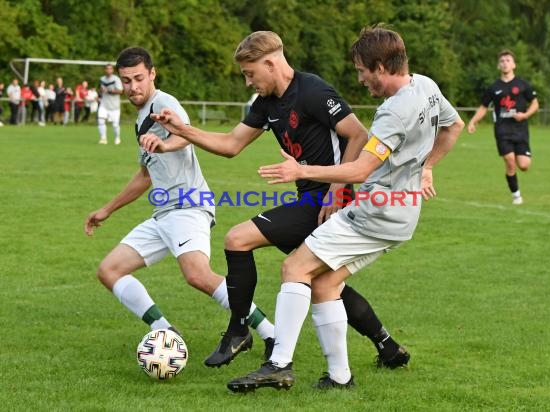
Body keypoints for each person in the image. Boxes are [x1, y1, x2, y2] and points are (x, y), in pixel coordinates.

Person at [145, 30, 410, 370]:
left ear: (270, 63)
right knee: (322, 283)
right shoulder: (267, 104)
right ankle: (387, 346)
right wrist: (182, 129)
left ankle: (239, 330)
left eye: (250, 73)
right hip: (311, 200)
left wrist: (334, 191)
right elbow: (230, 145)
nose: (247, 82)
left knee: (237, 239)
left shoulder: (313, 90)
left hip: (326, 201)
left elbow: (358, 133)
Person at [225, 25, 464, 392]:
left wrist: (301, 170)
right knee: (325, 283)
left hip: (374, 213)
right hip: (403, 214)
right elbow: (454, 126)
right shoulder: (426, 86)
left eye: (363, 71)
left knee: (294, 267)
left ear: (381, 67)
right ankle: (339, 378)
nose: (362, 79)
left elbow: (360, 169)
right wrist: (427, 167)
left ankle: (278, 364)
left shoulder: (392, 112)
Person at [84, 47, 274, 356]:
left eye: (139, 78)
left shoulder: (163, 103)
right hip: (164, 213)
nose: (133, 87)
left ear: (152, 74)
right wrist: (106, 209)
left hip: (187, 205)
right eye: (126, 81)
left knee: (197, 274)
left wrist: (165, 143)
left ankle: (271, 334)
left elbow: (186, 134)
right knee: (110, 270)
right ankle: (164, 331)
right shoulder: (140, 120)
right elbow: (145, 175)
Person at [467, 50, 538, 205]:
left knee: (524, 165)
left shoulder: (522, 84)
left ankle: (515, 187)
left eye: (508, 60)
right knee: (510, 160)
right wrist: (473, 121)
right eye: (502, 61)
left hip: (520, 129)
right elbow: (483, 107)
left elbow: (535, 103)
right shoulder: (494, 88)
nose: (505, 63)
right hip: (502, 130)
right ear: (499, 65)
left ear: (514, 64)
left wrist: (525, 115)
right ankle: (516, 195)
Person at [98, 64, 123, 144]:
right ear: (105, 70)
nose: (108, 70)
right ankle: (103, 138)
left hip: (114, 106)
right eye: (107, 69)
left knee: (115, 125)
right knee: (101, 120)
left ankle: (117, 138)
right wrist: (100, 92)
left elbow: (120, 91)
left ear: (112, 70)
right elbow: (101, 90)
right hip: (104, 104)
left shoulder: (116, 79)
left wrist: (108, 91)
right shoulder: (102, 79)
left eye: (110, 69)